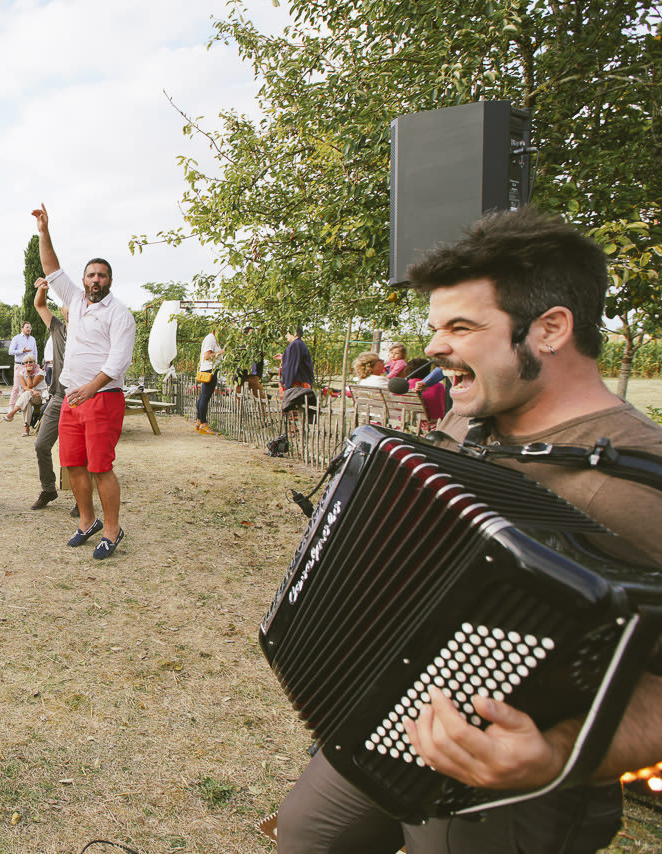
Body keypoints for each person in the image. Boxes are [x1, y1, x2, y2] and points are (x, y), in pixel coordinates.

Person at [276, 208, 662, 854]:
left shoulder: (641, 484)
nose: (434, 347)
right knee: (307, 836)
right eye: (435, 327)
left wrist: (556, 753)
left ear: (550, 329)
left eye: (460, 326)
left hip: (520, 791)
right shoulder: (470, 418)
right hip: (390, 717)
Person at [31, 204, 136, 559]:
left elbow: (118, 361)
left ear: (109, 280)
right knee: (73, 464)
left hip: (102, 397)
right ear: (84, 279)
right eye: (91, 275)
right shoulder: (74, 300)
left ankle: (112, 529)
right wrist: (44, 231)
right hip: (70, 399)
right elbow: (50, 268)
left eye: (102, 276)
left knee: (100, 467)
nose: (95, 280)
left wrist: (91, 387)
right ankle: (86, 521)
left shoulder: (120, 314)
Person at [30, 278, 70, 511]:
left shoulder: (89, 334)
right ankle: (48, 489)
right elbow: (40, 306)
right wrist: (43, 289)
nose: (69, 310)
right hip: (57, 396)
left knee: (78, 452)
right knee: (41, 445)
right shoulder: (57, 328)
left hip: (81, 398)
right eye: (67, 306)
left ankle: (80, 498)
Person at [195, 327, 225, 434]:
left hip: (209, 370)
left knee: (203, 396)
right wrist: (221, 352)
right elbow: (207, 356)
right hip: (209, 371)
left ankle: (199, 421)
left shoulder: (213, 339)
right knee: (205, 397)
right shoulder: (211, 338)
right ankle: (204, 423)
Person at [5, 355, 45, 432]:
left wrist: (28, 374)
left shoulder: (39, 372)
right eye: (26, 362)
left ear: (34, 362)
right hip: (30, 395)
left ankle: (13, 411)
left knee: (27, 394)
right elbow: (24, 387)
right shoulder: (21, 372)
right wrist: (32, 390)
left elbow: (30, 385)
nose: (28, 364)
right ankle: (26, 428)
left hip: (40, 396)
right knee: (27, 401)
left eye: (31, 362)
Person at [7, 321, 39, 414]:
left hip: (30, 367)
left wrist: (35, 364)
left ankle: (21, 406)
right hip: (19, 365)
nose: (29, 329)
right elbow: (10, 351)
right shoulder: (16, 338)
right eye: (27, 327)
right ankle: (11, 407)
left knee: (26, 387)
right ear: (22, 328)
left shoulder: (33, 339)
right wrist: (22, 350)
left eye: (30, 328)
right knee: (16, 387)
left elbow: (35, 352)